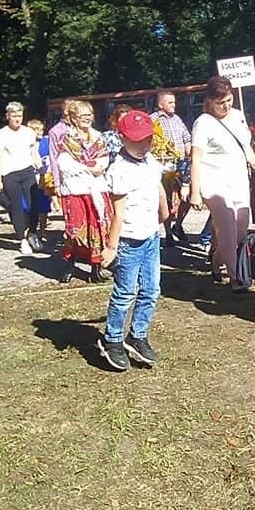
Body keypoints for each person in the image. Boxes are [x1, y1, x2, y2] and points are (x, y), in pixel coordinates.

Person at [97, 110, 169, 371]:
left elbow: (158, 187)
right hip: (129, 241)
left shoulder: (150, 162)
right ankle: (112, 339)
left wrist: (164, 212)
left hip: (150, 236)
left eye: (147, 139)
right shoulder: (120, 170)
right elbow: (118, 213)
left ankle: (138, 335)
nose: (143, 145)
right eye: (137, 140)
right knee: (125, 292)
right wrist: (111, 247)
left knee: (151, 290)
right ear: (122, 138)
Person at [188, 76, 255, 290]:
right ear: (210, 101)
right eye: (221, 102)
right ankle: (236, 277)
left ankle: (218, 258)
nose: (226, 106)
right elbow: (196, 159)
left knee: (241, 228)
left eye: (229, 100)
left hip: (238, 179)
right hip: (214, 181)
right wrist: (194, 191)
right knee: (227, 224)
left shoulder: (238, 116)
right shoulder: (203, 123)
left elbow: (245, 146)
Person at [57, 101, 112, 283]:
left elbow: (104, 158)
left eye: (89, 115)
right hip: (76, 189)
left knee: (98, 226)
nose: (87, 118)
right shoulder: (67, 139)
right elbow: (64, 164)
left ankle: (96, 267)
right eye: (83, 115)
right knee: (76, 228)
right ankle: (69, 264)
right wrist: (87, 168)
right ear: (73, 118)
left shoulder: (98, 137)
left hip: (97, 187)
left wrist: (99, 167)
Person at [0, 101, 42, 255]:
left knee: (34, 205)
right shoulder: (1, 135)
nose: (17, 118)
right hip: (10, 174)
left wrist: (40, 167)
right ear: (7, 116)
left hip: (28, 171)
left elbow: (34, 152)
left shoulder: (28, 132)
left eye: (20, 115)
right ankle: (22, 240)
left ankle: (32, 233)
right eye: (14, 115)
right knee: (17, 208)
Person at [151, 90, 193, 243]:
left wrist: (190, 156)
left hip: (181, 163)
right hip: (164, 165)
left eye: (174, 102)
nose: (174, 105)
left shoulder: (177, 119)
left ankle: (178, 224)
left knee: (188, 195)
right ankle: (168, 233)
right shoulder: (153, 120)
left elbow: (186, 139)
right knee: (167, 198)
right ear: (160, 104)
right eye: (170, 102)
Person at [27, 119, 53, 240]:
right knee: (29, 205)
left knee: (44, 206)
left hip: (44, 177)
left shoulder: (47, 142)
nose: (39, 132)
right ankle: (30, 230)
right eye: (36, 129)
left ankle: (42, 231)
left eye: (41, 129)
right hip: (30, 177)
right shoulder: (25, 143)